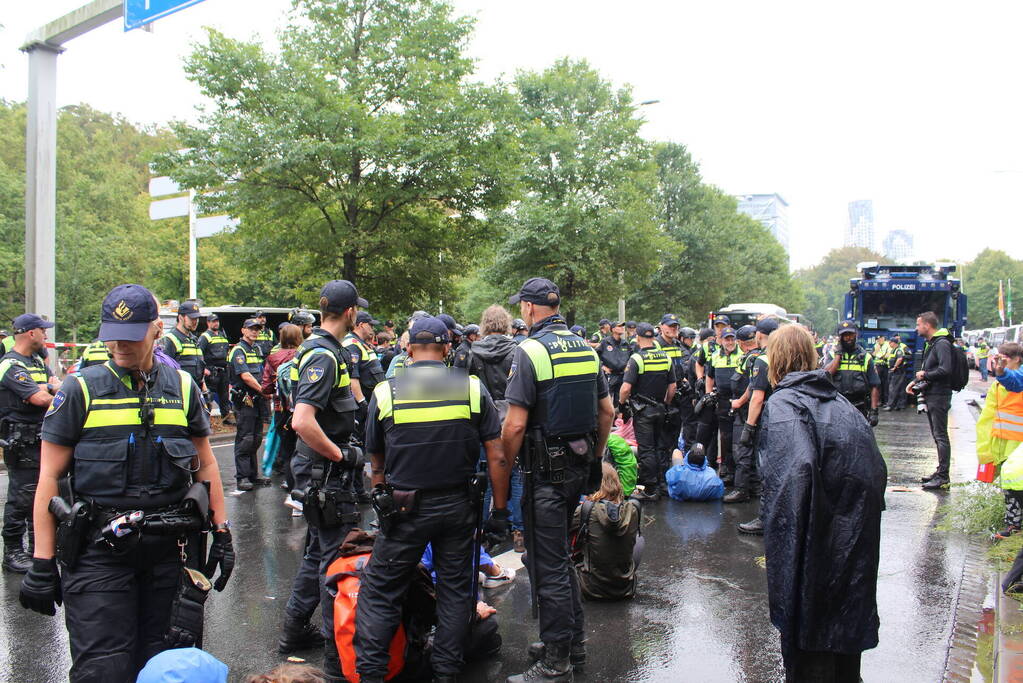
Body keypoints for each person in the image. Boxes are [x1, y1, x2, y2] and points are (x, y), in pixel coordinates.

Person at [22, 283, 233, 683]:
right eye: (111, 337)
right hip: (99, 554)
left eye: (131, 337)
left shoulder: (183, 388)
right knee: (105, 669)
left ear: (156, 329)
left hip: (170, 555)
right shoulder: (80, 388)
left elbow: (206, 465)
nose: (119, 346)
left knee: (169, 666)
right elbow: (48, 477)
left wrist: (222, 532)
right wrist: (42, 561)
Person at [354, 315, 507, 683]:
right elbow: (497, 455)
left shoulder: (385, 392)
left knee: (381, 591)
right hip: (458, 507)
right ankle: (445, 673)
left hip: (404, 508)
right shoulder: (471, 388)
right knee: (456, 592)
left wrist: (380, 493)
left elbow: (375, 457)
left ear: (408, 350)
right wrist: (499, 512)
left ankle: (372, 675)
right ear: (447, 348)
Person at [757, 323, 886, 683]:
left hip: (815, 542)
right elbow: (876, 472)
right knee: (843, 637)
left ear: (775, 359)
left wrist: (784, 540)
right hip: (853, 539)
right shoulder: (841, 402)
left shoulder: (785, 403)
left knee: (810, 639)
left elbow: (792, 476)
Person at [502, 277, 614, 682]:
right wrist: (597, 458)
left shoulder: (529, 350)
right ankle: (572, 643)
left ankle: (555, 663)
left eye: (522, 307)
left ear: (530, 309)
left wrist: (503, 471)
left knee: (548, 565)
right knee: (561, 559)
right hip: (577, 469)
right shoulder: (586, 348)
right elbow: (607, 412)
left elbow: (514, 426)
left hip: (544, 475)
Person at [278, 280, 365, 679]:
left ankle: (295, 631)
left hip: (319, 472)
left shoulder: (325, 351)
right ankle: (338, 654)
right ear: (349, 314)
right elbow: (302, 420)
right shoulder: (325, 356)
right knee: (335, 559)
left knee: (317, 550)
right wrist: (340, 453)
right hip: (326, 474)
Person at [0, 313, 57, 572]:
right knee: (21, 497)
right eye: (42, 331)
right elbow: (40, 399)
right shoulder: (9, 364)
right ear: (30, 333)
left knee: (39, 495)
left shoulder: (35, 360)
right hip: (20, 439)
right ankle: (12, 552)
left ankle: (38, 549)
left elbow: (56, 385)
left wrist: (48, 387)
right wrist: (47, 389)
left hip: (39, 436)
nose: (46, 335)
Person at [469, 304, 526, 551]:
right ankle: (519, 530)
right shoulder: (518, 351)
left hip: (483, 418)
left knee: (485, 476)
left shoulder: (471, 352)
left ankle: (480, 530)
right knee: (516, 474)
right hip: (512, 415)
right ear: (506, 324)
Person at [620, 322, 676, 501]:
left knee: (646, 449)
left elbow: (625, 388)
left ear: (637, 338)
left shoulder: (637, 358)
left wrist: (622, 405)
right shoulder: (665, 357)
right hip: (660, 408)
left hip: (643, 411)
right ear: (653, 338)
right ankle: (662, 483)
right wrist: (665, 402)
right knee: (660, 446)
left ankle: (651, 489)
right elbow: (672, 386)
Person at [570, 463, 642, 600]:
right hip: (625, 589)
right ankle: (622, 577)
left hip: (590, 588)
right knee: (639, 541)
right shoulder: (633, 509)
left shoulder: (586, 510)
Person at [736, 317, 780, 535]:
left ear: (759, 335)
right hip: (787, 418)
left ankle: (764, 519)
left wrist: (749, 426)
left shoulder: (763, 360)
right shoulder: (785, 356)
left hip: (768, 420)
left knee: (766, 469)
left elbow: (757, 397)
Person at [977, 343, 1023, 538]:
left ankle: (1014, 526)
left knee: (1014, 484)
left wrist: (1002, 372)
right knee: (1010, 484)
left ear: (1017, 359)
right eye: (997, 359)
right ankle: (1014, 525)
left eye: (1004, 359)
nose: (999, 363)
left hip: (1018, 442)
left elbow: (1015, 382)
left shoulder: (1015, 375)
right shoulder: (998, 383)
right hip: (1004, 442)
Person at [913, 312, 955, 490]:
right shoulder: (934, 343)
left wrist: (925, 374)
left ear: (927, 325)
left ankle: (943, 476)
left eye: (918, 324)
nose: (916, 328)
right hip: (932, 393)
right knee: (937, 436)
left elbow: (945, 369)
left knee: (940, 435)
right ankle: (940, 471)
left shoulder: (942, 343)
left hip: (939, 395)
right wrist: (916, 382)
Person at [230, 318, 270, 491]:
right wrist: (263, 390)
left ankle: (253, 475)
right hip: (245, 401)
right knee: (245, 439)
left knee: (255, 438)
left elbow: (262, 372)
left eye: (257, 329)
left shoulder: (256, 349)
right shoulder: (238, 350)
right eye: (251, 329)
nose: (255, 331)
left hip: (257, 400)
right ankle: (243, 477)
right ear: (243, 330)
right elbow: (245, 376)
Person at [723, 325, 762, 504]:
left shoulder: (753, 359)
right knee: (750, 449)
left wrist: (740, 402)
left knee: (742, 448)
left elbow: (753, 386)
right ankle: (753, 486)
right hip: (745, 408)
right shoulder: (755, 357)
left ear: (740, 342)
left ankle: (742, 489)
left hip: (745, 409)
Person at [262, 324, 303, 490]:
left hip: (282, 411)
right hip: (303, 409)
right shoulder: (304, 355)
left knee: (287, 450)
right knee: (304, 449)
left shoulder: (273, 358)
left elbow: (266, 388)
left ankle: (291, 484)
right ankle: (304, 485)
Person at [704, 326, 741, 483]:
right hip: (722, 401)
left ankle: (737, 469)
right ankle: (726, 468)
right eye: (727, 339)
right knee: (725, 436)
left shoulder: (742, 355)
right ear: (722, 340)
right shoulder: (715, 356)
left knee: (738, 437)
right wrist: (708, 394)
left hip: (739, 401)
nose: (730, 342)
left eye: (732, 338)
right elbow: (709, 376)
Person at [824, 321, 880, 426]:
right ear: (839, 337)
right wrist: (838, 356)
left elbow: (875, 386)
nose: (848, 338)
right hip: (837, 408)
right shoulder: (832, 355)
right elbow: (826, 375)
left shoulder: (865, 357)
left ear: (856, 334)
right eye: (844, 335)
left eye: (850, 334)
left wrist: (874, 412)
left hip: (859, 408)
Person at [654, 314, 686, 481]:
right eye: (670, 326)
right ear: (661, 327)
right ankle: (661, 478)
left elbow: (678, 370)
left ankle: (670, 476)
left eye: (676, 326)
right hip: (663, 399)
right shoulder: (656, 346)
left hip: (676, 399)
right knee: (661, 442)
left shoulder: (676, 345)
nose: (673, 329)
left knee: (673, 440)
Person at [159, 300, 206, 388]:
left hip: (196, 392)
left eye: (197, 318)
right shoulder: (169, 339)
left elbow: (200, 367)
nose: (195, 321)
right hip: (179, 393)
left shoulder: (195, 340)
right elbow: (163, 373)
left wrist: (205, 392)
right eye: (192, 318)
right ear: (181, 317)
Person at [199, 313, 232, 419]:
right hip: (211, 372)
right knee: (209, 397)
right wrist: (204, 369)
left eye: (217, 321)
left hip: (223, 371)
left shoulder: (222, 335)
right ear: (208, 323)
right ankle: (205, 419)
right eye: (213, 321)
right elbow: (199, 354)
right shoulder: (205, 337)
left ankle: (226, 418)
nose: (216, 323)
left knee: (224, 396)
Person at [598, 321, 631, 411]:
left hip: (623, 375)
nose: (622, 328)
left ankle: (618, 421)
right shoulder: (605, 342)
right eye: (619, 326)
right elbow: (595, 356)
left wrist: (628, 366)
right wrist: (602, 366)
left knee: (620, 400)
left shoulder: (625, 343)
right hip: (610, 375)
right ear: (613, 329)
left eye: (622, 326)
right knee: (607, 399)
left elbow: (632, 357)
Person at [882, 336, 908, 411]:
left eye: (890, 342)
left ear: (894, 343)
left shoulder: (899, 350)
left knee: (893, 388)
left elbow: (900, 359)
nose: (889, 343)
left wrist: (895, 367)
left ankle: (890, 406)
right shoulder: (893, 350)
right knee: (895, 388)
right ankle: (896, 405)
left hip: (897, 372)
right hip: (894, 372)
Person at [871, 334, 890, 407]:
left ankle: (885, 401)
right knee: (878, 384)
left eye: (880, 339)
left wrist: (880, 356)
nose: (879, 340)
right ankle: (878, 401)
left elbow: (887, 355)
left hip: (885, 366)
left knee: (886, 384)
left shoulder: (887, 344)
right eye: (878, 339)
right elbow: (872, 355)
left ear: (883, 338)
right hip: (878, 366)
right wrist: (876, 351)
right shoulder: (876, 345)